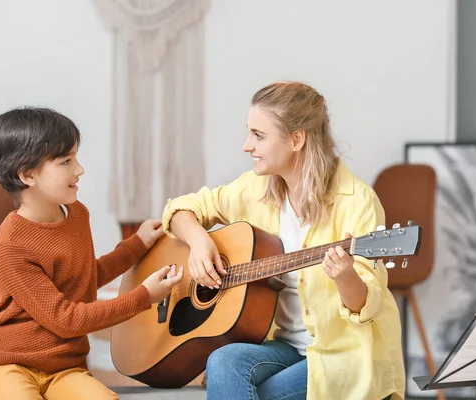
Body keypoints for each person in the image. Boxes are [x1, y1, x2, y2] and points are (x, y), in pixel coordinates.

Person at [161, 81, 404, 400]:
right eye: (249, 133)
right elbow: (179, 209)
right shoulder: (255, 189)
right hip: (285, 347)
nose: (246, 145)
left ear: (296, 139)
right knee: (223, 362)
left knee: (257, 393)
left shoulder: (357, 201)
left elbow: (367, 306)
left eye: (258, 135)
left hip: (344, 356)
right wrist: (199, 242)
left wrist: (345, 276)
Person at [0, 107, 183, 400]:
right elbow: (67, 320)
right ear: (28, 174)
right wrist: (144, 296)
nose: (79, 169)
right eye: (66, 161)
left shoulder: (76, 215)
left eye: (76, 157)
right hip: (8, 362)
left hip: (64, 367)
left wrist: (137, 244)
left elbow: (84, 278)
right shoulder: (10, 246)